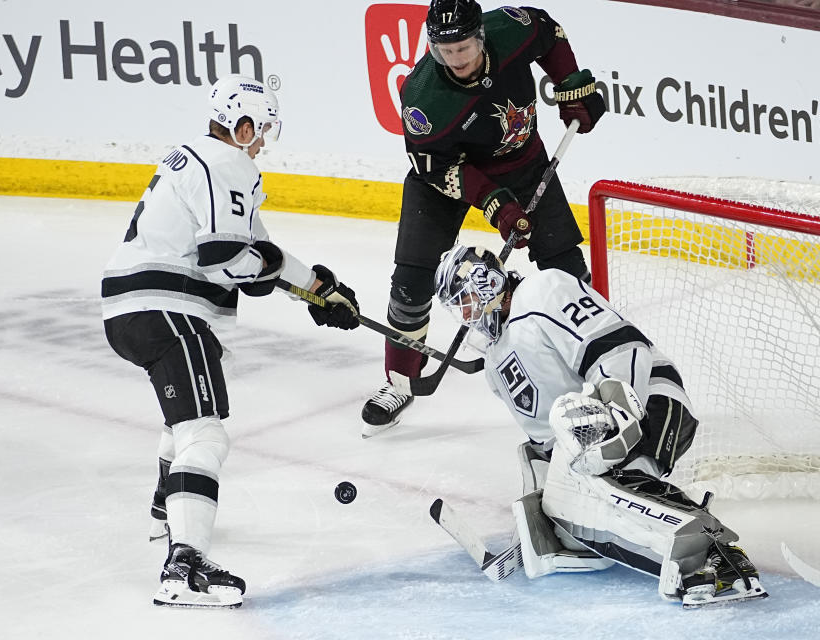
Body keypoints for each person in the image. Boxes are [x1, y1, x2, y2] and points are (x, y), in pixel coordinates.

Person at [100, 74, 360, 608]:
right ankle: (185, 565)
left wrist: (319, 289)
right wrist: (260, 271)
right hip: (166, 306)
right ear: (241, 129)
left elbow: (257, 246)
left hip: (129, 307)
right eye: (259, 130)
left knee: (185, 423)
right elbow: (227, 258)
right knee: (205, 434)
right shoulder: (229, 165)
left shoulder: (195, 159)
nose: (262, 141)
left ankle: (167, 507)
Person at [433, 244, 769, 606]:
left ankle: (716, 556)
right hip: (592, 433)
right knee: (575, 518)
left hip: (649, 398)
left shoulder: (542, 290)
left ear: (485, 284)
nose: (463, 312)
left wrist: (618, 418)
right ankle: (637, 529)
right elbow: (547, 443)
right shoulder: (494, 366)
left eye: (463, 298)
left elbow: (618, 347)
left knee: (592, 468)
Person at [360, 0, 607, 436]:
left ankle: (599, 363)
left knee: (566, 267)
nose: (456, 60)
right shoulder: (423, 98)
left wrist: (571, 85)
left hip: (523, 162)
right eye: (445, 51)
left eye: (464, 48)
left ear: (481, 37)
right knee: (411, 280)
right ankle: (399, 380)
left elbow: (549, 34)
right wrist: (497, 203)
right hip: (443, 176)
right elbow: (434, 167)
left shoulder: (512, 28)